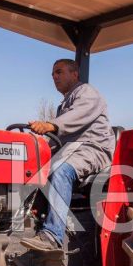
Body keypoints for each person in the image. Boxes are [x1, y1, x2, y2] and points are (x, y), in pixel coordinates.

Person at [20, 59, 116, 253]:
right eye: (53, 74)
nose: (54, 77)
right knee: (33, 171)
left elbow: (76, 117)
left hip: (93, 149)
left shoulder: (87, 93)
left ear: (74, 74)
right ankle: (24, 223)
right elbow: (59, 138)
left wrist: (50, 125)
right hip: (72, 150)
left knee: (60, 170)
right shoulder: (64, 104)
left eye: (59, 72)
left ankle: (52, 235)